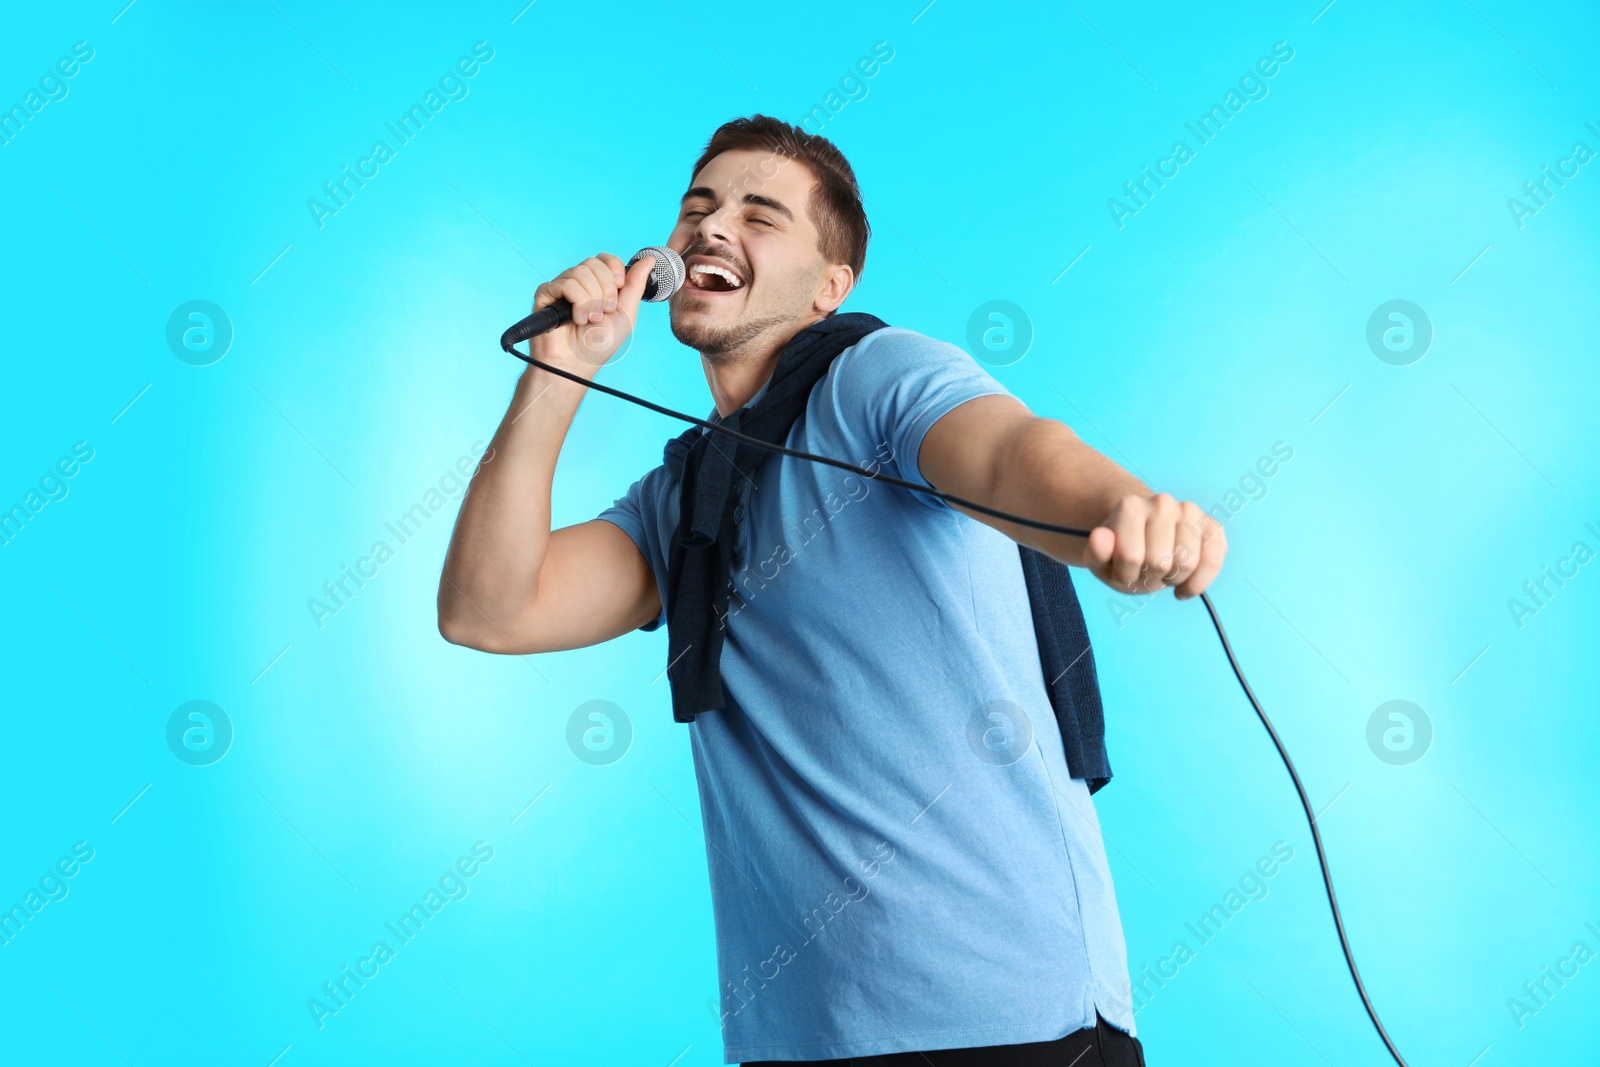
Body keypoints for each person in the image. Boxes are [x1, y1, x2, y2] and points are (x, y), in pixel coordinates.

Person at [437, 114, 1226, 1066]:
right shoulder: (683, 499)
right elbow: (488, 607)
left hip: (1016, 1026)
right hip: (796, 1040)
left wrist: (1121, 509)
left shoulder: (875, 375)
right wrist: (559, 376)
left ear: (829, 286)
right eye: (698, 207)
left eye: (760, 214)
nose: (711, 228)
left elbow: (1015, 451)